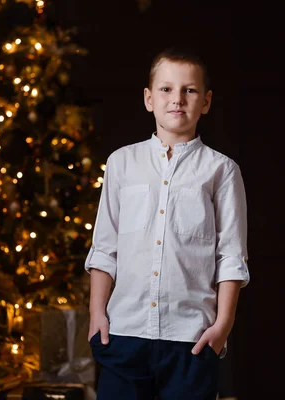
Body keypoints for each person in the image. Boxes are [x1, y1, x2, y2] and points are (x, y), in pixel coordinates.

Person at [84, 47, 250, 400]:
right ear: (148, 99)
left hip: (191, 339)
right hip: (124, 333)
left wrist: (222, 327)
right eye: (166, 89)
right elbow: (104, 248)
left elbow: (232, 257)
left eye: (189, 90)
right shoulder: (121, 164)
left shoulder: (221, 171)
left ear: (205, 101)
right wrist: (97, 313)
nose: (177, 99)